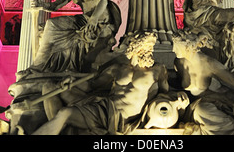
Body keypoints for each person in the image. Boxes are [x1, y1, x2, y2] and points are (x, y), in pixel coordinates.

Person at [31, 33, 169, 135]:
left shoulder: (158, 70)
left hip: (124, 119)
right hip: (105, 110)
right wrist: (72, 82)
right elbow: (92, 86)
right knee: (64, 112)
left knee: (65, 114)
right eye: (147, 46)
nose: (150, 51)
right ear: (135, 47)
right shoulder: (118, 68)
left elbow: (165, 93)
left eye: (151, 47)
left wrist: (178, 100)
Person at [17, 0, 121, 77]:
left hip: (99, 20)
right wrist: (41, 4)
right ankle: (39, 66)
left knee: (52, 24)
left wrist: (94, 18)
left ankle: (38, 67)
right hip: (85, 19)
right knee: (47, 26)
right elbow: (55, 6)